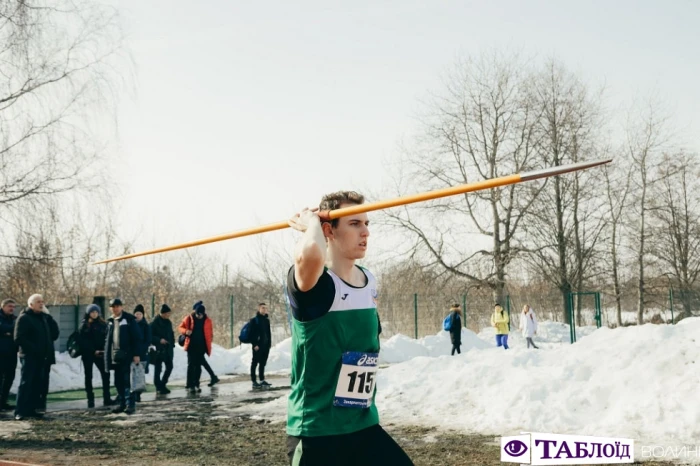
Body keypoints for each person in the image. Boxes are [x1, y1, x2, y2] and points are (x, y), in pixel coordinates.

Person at [285, 191, 414, 466]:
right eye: (355, 224)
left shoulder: (369, 280)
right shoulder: (316, 286)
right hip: (318, 432)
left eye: (367, 223)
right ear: (329, 230)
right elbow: (309, 254)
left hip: (362, 424)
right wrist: (311, 225)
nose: (365, 232)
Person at [13, 294, 57, 420]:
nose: (41, 304)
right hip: (29, 356)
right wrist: (35, 349)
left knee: (37, 384)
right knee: (26, 383)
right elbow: (19, 338)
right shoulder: (24, 318)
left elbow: (52, 334)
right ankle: (20, 411)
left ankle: (31, 409)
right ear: (31, 304)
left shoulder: (43, 318)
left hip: (41, 357)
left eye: (42, 301)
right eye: (38, 302)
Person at [104, 298, 142, 415]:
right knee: (117, 381)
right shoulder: (110, 321)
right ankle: (121, 403)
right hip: (115, 356)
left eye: (117, 306)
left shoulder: (129, 320)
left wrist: (136, 354)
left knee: (127, 381)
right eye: (113, 307)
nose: (115, 309)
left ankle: (130, 404)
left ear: (121, 307)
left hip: (127, 355)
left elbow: (137, 338)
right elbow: (108, 341)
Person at [78, 304, 114, 408]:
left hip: (101, 353)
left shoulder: (103, 324)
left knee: (105, 374)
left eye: (96, 312)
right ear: (88, 313)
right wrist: (93, 350)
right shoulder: (84, 325)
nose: (94, 314)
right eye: (92, 312)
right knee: (88, 376)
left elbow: (106, 338)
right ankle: (90, 399)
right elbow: (83, 341)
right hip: (88, 354)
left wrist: (104, 350)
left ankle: (107, 398)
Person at [179, 301, 213, 393]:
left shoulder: (208, 321)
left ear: (204, 313)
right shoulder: (189, 318)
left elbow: (210, 333)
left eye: (201, 315)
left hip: (201, 346)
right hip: (191, 346)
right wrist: (186, 331)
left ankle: (196, 384)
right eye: (198, 314)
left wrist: (209, 343)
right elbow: (180, 328)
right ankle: (190, 385)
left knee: (198, 366)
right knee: (191, 365)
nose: (199, 316)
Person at [150, 304, 175, 395]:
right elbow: (150, 336)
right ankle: (158, 386)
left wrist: (172, 344)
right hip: (158, 349)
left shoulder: (168, 322)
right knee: (158, 369)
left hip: (168, 348)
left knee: (169, 367)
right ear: (163, 313)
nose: (168, 315)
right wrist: (159, 340)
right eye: (167, 313)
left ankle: (163, 384)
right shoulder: (154, 322)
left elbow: (171, 333)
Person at [248, 302, 272, 389]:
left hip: (265, 346)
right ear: (259, 309)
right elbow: (251, 334)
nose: (264, 309)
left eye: (265, 308)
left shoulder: (266, 320)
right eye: (262, 308)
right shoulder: (254, 320)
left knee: (262, 363)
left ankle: (262, 380)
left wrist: (269, 344)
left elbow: (268, 333)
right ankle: (254, 381)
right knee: (254, 363)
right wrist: (255, 344)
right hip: (257, 346)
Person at [0, 299, 18, 411]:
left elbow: (17, 331)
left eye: (13, 306)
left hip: (11, 353)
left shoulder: (14, 319)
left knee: (9, 378)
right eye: (9, 306)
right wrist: (9, 332)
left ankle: (3, 402)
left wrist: (8, 333)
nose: (11, 309)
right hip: (1, 353)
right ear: (3, 306)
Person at [132, 304, 151, 402]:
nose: (138, 316)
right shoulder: (130, 324)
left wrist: (141, 351)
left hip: (142, 353)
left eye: (140, 314)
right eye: (136, 314)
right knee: (133, 373)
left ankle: (138, 393)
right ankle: (133, 392)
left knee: (140, 373)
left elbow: (148, 340)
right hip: (132, 353)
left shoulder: (145, 326)